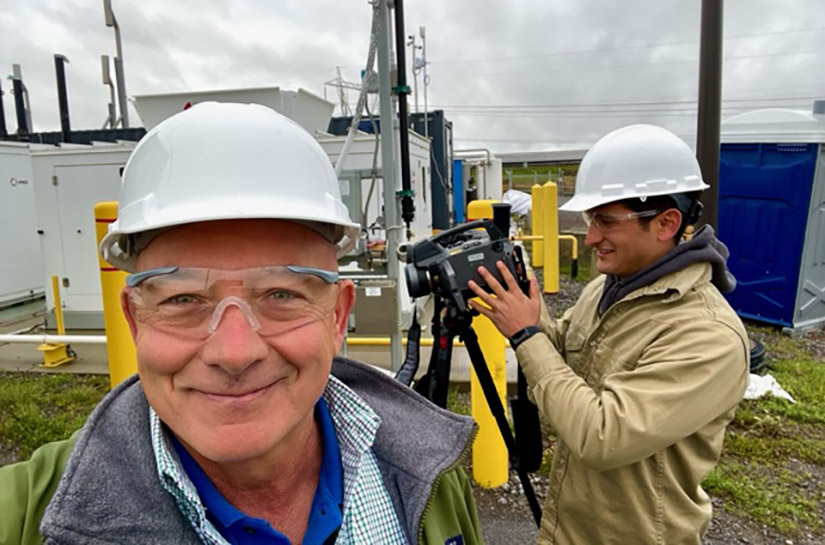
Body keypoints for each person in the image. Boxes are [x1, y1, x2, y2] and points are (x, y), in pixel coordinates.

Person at [0, 103, 483, 545]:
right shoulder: (23, 515)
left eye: (281, 295)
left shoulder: (429, 475)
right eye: (183, 299)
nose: (234, 353)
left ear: (337, 316)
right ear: (135, 319)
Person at [467, 124, 749, 544]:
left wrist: (525, 334)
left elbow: (602, 436)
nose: (591, 237)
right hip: (570, 530)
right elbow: (563, 356)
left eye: (606, 221)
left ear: (666, 223)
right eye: (590, 219)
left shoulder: (708, 336)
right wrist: (527, 308)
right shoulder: (609, 287)